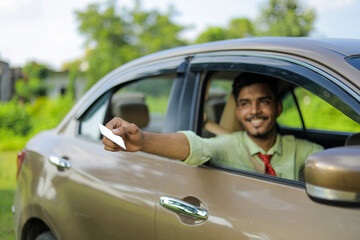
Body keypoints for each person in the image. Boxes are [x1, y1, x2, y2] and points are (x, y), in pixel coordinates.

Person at [102, 72, 323, 180]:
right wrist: (144, 141)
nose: (254, 111)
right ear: (238, 112)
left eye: (263, 102)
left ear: (278, 108)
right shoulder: (226, 145)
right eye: (245, 104)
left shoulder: (300, 148)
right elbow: (194, 146)